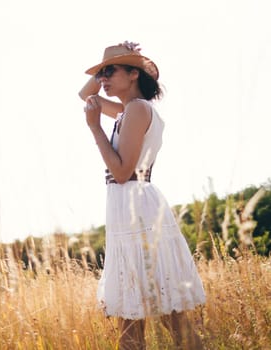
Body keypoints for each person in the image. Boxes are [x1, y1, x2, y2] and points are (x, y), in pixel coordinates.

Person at [79, 41, 206, 349]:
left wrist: (95, 129)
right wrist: (112, 61)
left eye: (111, 71)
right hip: (128, 210)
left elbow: (122, 173)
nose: (103, 79)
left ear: (133, 74)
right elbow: (86, 95)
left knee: (162, 318)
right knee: (136, 318)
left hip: (137, 210)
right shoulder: (128, 110)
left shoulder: (136, 109)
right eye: (101, 73)